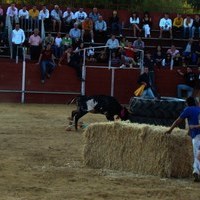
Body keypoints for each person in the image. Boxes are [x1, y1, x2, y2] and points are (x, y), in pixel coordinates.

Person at [165, 96, 200, 182]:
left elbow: (178, 121)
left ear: (187, 103)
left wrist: (170, 130)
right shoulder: (198, 109)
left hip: (197, 135)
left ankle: (196, 171)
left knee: (197, 154)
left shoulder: (188, 110)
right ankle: (196, 171)